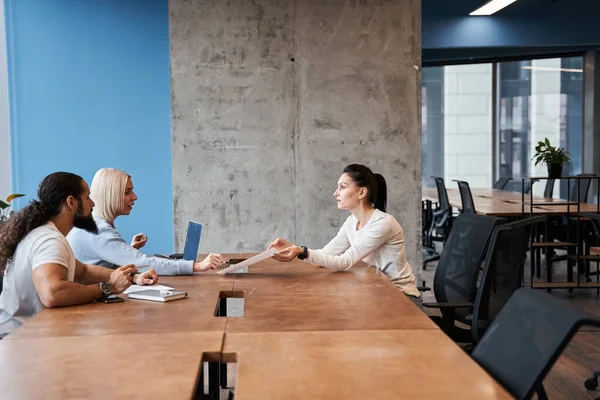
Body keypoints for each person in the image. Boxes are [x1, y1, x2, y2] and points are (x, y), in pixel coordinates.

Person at [0, 172, 159, 337]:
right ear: (71, 202)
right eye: (87, 197)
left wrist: (132, 276)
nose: (92, 203)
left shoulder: (47, 234)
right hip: (18, 342)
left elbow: (82, 271)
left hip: (24, 337)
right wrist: (108, 287)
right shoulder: (49, 240)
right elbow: (52, 293)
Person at [268, 164, 421, 305]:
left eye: (342, 187)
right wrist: (295, 249)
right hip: (377, 290)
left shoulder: (383, 223)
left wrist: (302, 251)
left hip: (402, 297)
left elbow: (344, 262)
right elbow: (325, 255)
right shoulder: (351, 222)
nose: (335, 193)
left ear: (362, 192)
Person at [67, 168, 224, 275]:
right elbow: (142, 263)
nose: (134, 197)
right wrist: (196, 266)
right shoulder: (100, 231)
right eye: (127, 192)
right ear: (111, 195)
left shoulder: (95, 225)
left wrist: (127, 249)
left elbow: (104, 260)